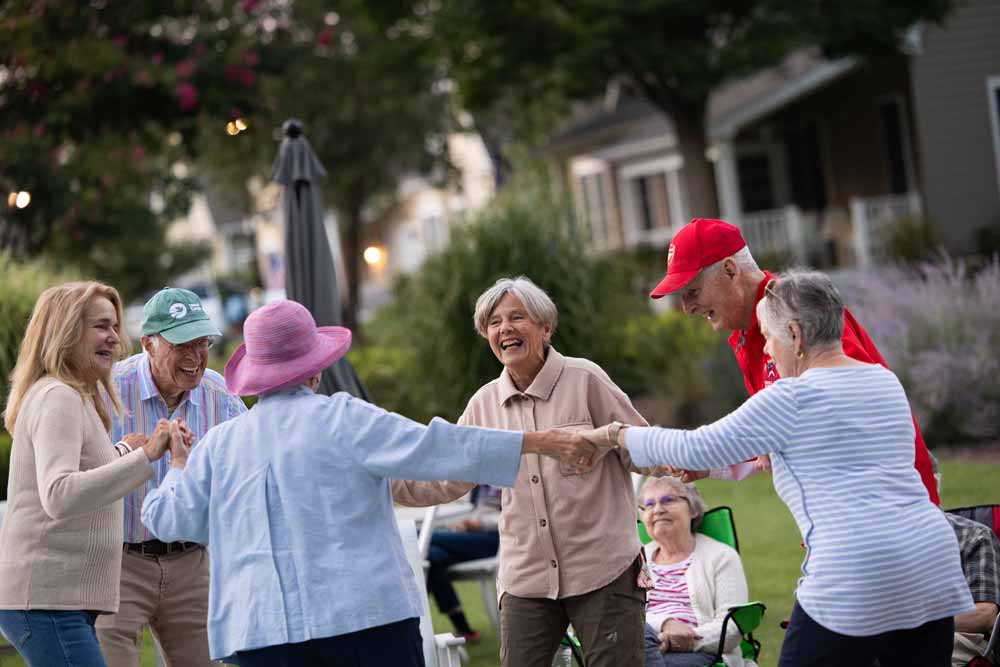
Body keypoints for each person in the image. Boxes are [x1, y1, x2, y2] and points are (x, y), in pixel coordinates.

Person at [139, 299, 596, 666]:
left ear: (256, 375)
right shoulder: (343, 417)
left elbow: (166, 518)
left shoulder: (220, 444)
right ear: (315, 369)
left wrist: (177, 466)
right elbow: (439, 448)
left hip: (260, 632)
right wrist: (539, 441)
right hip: (365, 622)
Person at [585, 271, 973, 666]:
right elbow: (807, 456)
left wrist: (617, 435)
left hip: (856, 569)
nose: (766, 350)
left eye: (768, 337)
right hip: (931, 562)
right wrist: (714, 471)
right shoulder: (883, 381)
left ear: (795, 335)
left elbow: (696, 445)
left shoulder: (792, 397)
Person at [392, 276, 655, 667]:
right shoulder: (484, 405)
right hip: (525, 579)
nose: (505, 329)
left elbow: (639, 446)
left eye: (518, 317)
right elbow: (447, 476)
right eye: (494, 323)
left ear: (546, 328)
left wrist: (680, 459)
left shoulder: (584, 379)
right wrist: (381, 484)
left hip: (603, 571)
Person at [648, 218, 939, 503]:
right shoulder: (750, 332)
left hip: (883, 505)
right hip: (840, 512)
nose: (687, 308)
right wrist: (710, 462)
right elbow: (771, 428)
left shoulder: (798, 310)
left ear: (729, 270)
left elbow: (857, 405)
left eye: (693, 292)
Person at [0, 281, 173, 666]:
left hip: (57, 601)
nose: (115, 339)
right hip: (46, 602)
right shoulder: (58, 396)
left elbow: (80, 471)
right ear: (65, 332)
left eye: (114, 327)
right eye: (101, 326)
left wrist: (124, 452)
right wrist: (144, 457)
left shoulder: (73, 396)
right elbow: (60, 494)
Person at [95, 287, 248, 667]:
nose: (196, 357)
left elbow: (250, 470)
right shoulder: (107, 392)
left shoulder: (222, 396)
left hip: (191, 561)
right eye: (182, 344)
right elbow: (82, 477)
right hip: (118, 561)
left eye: (202, 343)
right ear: (148, 343)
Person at [639, 478, 752, 667]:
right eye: (649, 504)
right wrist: (664, 624)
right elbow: (627, 615)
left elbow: (732, 627)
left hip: (700, 652)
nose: (657, 509)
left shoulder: (721, 557)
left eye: (668, 500)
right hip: (645, 645)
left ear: (693, 509)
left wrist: (684, 640)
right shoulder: (638, 559)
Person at [426, 484, 501, 642]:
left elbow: (521, 514)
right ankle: (464, 630)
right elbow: (471, 507)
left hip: (494, 538)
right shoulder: (482, 478)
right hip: (470, 536)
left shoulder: (512, 470)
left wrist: (479, 524)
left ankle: (414, 625)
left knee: (419, 538)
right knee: (431, 556)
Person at [944, 512, 1000, 666]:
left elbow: (984, 614)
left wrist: (914, 625)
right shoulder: (877, 538)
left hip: (957, 640)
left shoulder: (974, 536)